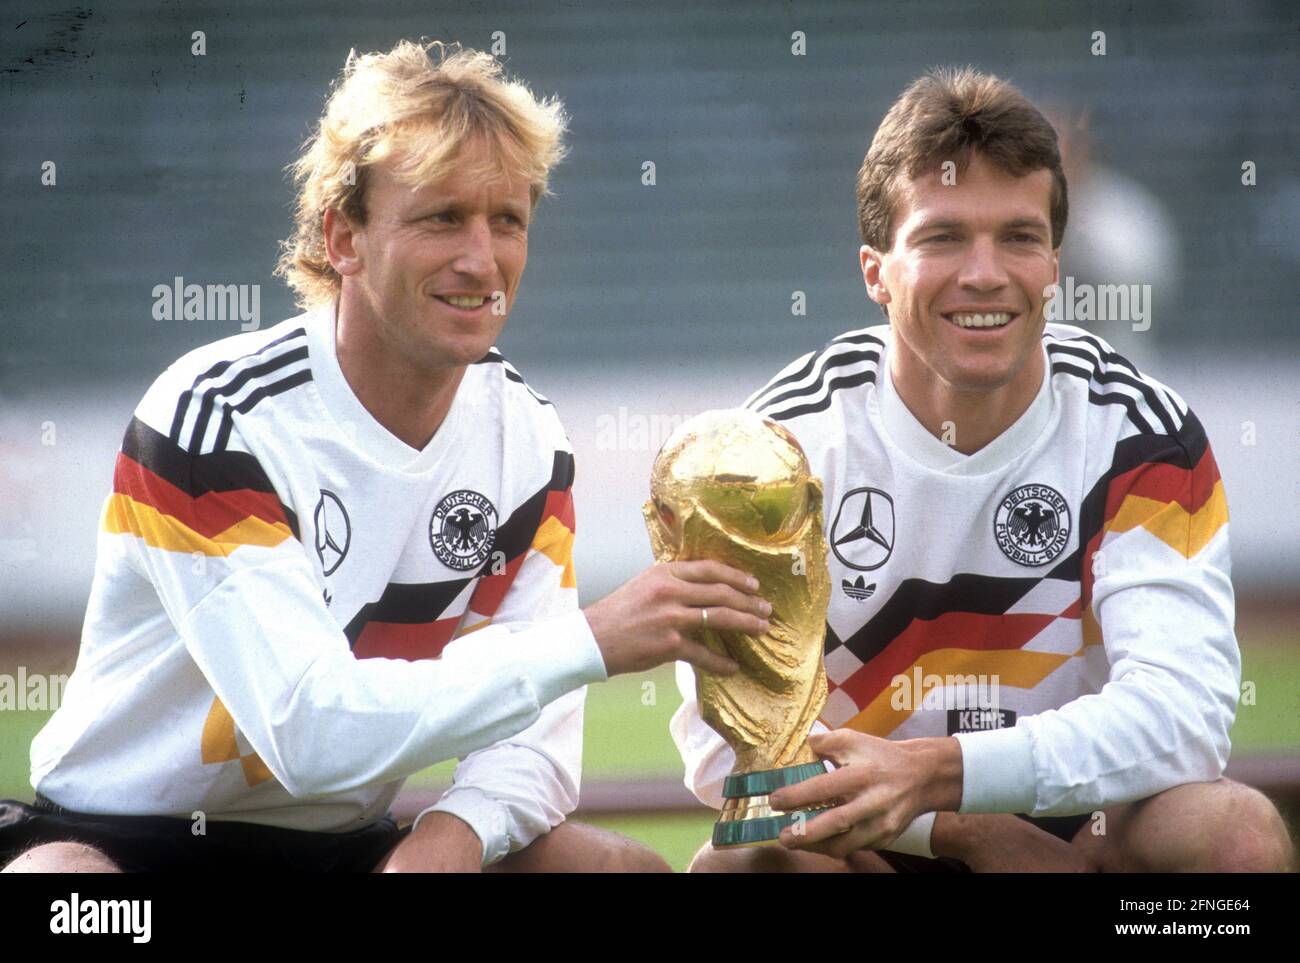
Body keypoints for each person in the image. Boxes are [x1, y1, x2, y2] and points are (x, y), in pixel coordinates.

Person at [0, 39, 769, 874]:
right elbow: (308, 731)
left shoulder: (528, 441)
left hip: (342, 849)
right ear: (344, 237)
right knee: (61, 893)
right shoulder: (215, 420)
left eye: (506, 219)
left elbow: (535, 751)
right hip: (121, 842)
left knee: (611, 869)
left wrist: (453, 835)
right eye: (442, 217)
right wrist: (591, 641)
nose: (483, 259)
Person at [676, 67, 1294, 873]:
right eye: (942, 237)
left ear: (1053, 267)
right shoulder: (777, 451)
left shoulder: (1142, 436)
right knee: (743, 868)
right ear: (875, 271)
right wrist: (957, 823)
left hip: (1085, 839)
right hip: (876, 840)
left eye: (1018, 236)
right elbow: (721, 746)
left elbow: (1185, 717)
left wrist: (953, 773)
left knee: (1235, 837)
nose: (984, 273)